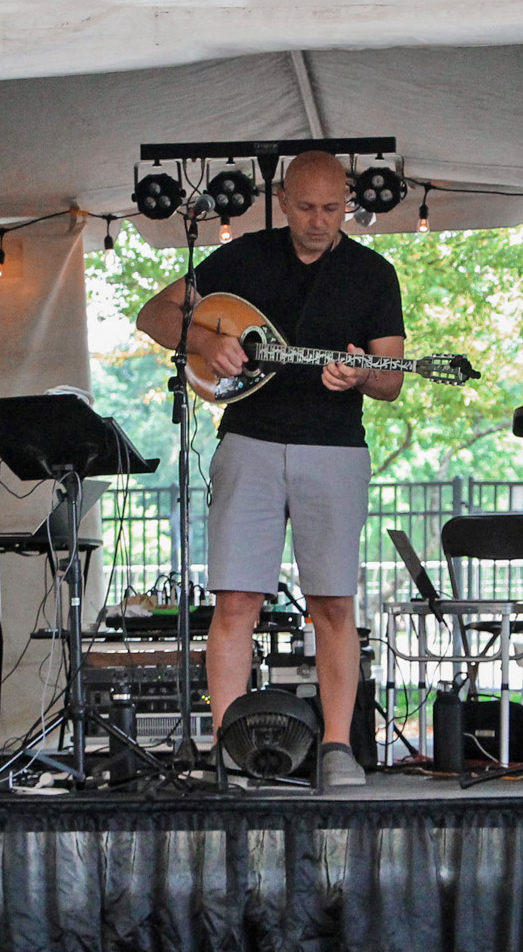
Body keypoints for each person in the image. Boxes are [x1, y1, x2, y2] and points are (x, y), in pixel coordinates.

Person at [135, 150, 406, 788]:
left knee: (334, 603)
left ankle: (337, 746)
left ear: (349, 203)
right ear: (282, 199)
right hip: (248, 441)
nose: (320, 221)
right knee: (235, 601)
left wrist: (361, 373)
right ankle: (230, 748)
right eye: (307, 208)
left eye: (334, 209)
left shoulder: (373, 274)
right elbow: (154, 314)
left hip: (335, 449)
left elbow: (392, 381)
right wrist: (205, 342)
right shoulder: (242, 258)